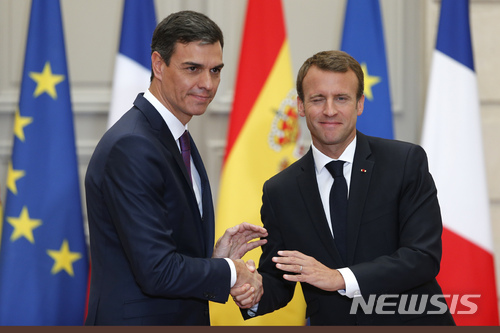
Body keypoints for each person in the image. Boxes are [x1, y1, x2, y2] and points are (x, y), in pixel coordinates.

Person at [232, 50, 455, 325]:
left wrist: (339, 278)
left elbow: (422, 257)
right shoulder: (281, 190)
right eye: (317, 99)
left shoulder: (404, 163)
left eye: (341, 98)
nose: (329, 110)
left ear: (359, 104)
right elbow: (280, 280)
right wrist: (250, 291)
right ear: (300, 106)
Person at [84, 11, 265, 326]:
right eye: (192, 69)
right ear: (158, 64)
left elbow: (159, 249)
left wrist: (215, 258)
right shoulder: (133, 146)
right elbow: (157, 272)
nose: (207, 84)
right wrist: (232, 272)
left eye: (215, 70)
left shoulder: (173, 135)